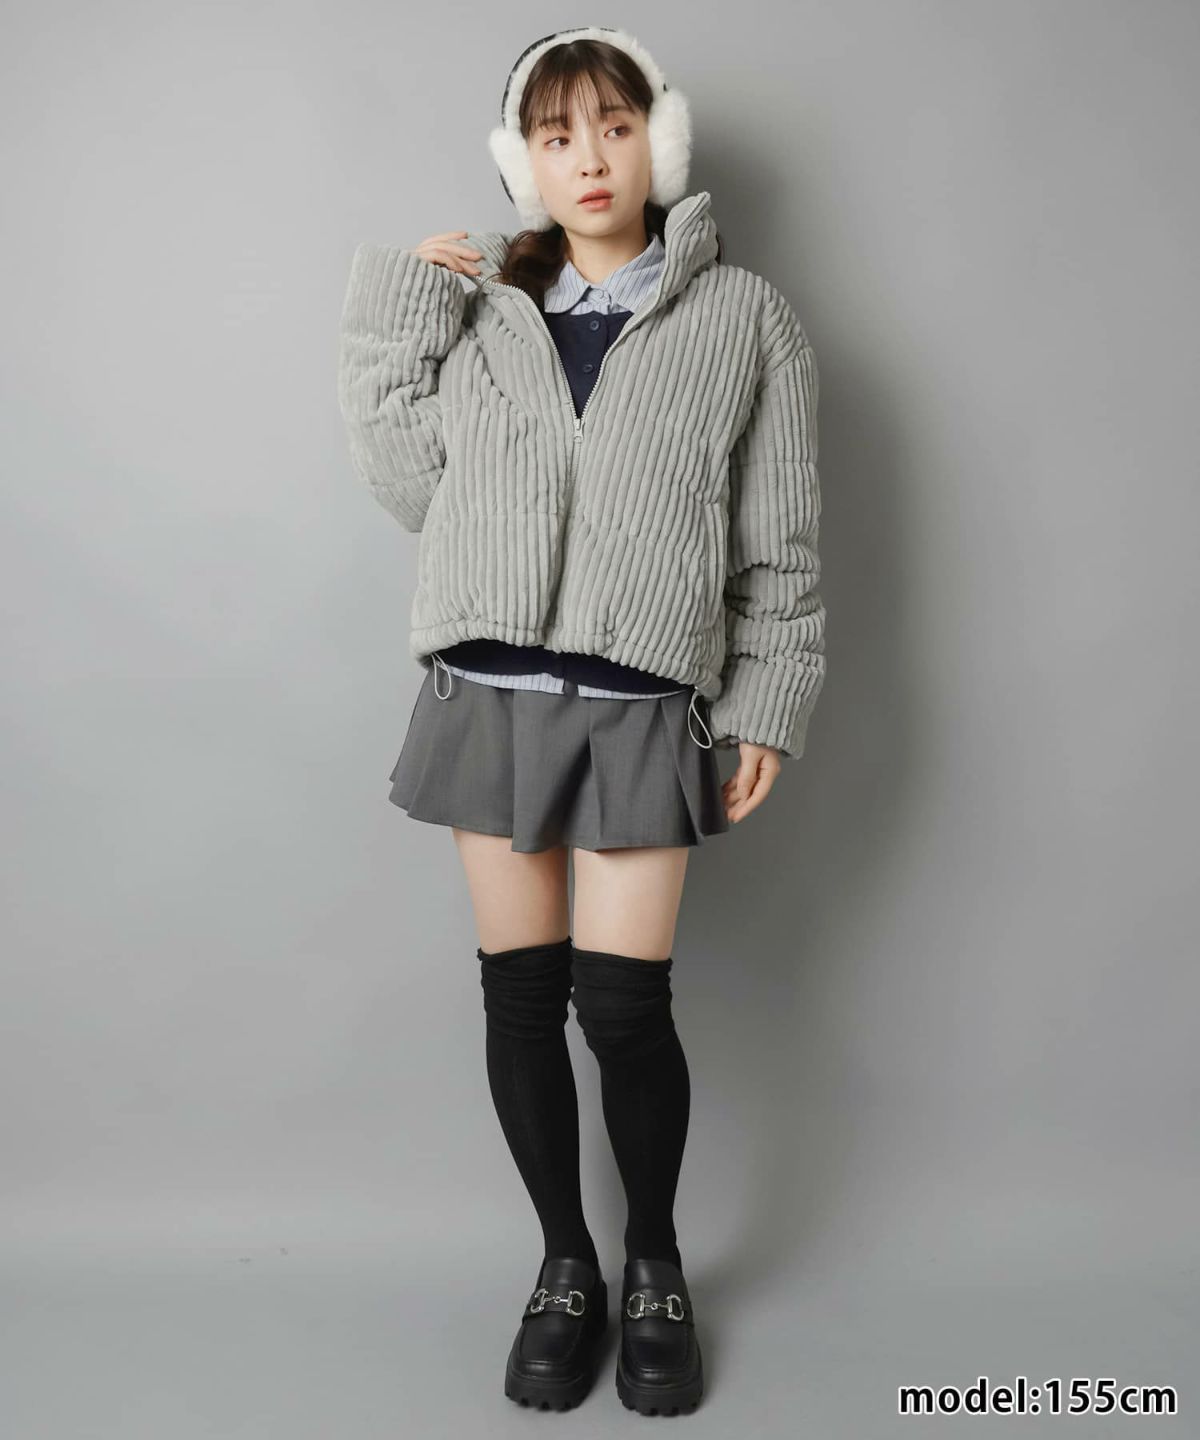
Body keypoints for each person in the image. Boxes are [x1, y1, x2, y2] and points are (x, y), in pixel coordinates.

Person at [336, 25, 826, 1415]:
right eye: (556, 136)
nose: (589, 159)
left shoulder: (746, 319)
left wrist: (768, 695)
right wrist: (403, 307)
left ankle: (653, 1261)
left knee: (622, 1008)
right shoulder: (488, 315)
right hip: (487, 697)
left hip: (639, 705)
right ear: (526, 164)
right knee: (520, 998)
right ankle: (566, 1263)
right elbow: (407, 482)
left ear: (656, 141)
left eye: (612, 126)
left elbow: (782, 538)